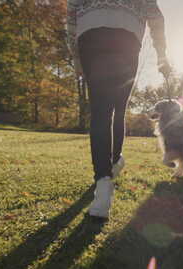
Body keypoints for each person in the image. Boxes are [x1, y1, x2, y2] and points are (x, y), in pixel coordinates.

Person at [66, 0, 170, 218]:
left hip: (91, 36)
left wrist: (75, 55)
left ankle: (103, 185)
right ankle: (114, 163)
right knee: (118, 109)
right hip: (126, 36)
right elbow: (155, 16)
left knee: (101, 111)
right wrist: (161, 53)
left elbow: (72, 12)